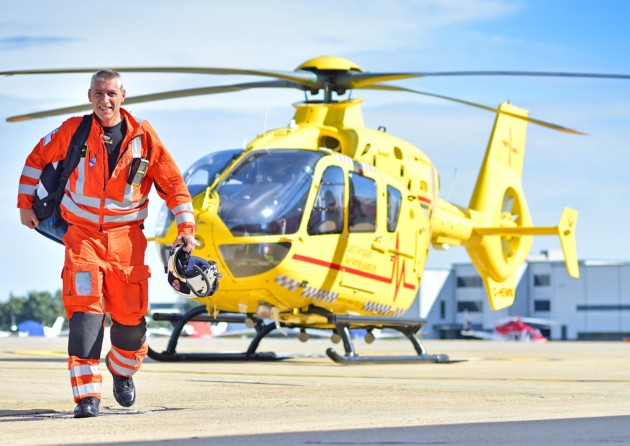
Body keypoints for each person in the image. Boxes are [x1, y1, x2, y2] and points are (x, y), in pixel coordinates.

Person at [17, 69, 196, 418]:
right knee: (85, 317)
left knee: (131, 324)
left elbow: (174, 185)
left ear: (123, 96)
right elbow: (36, 159)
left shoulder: (144, 137)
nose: (105, 100)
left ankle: (122, 370)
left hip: (128, 240)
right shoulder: (73, 131)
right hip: (82, 237)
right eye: (98, 94)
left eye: (111, 93)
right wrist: (25, 204)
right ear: (89, 96)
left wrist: (186, 227)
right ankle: (87, 397)